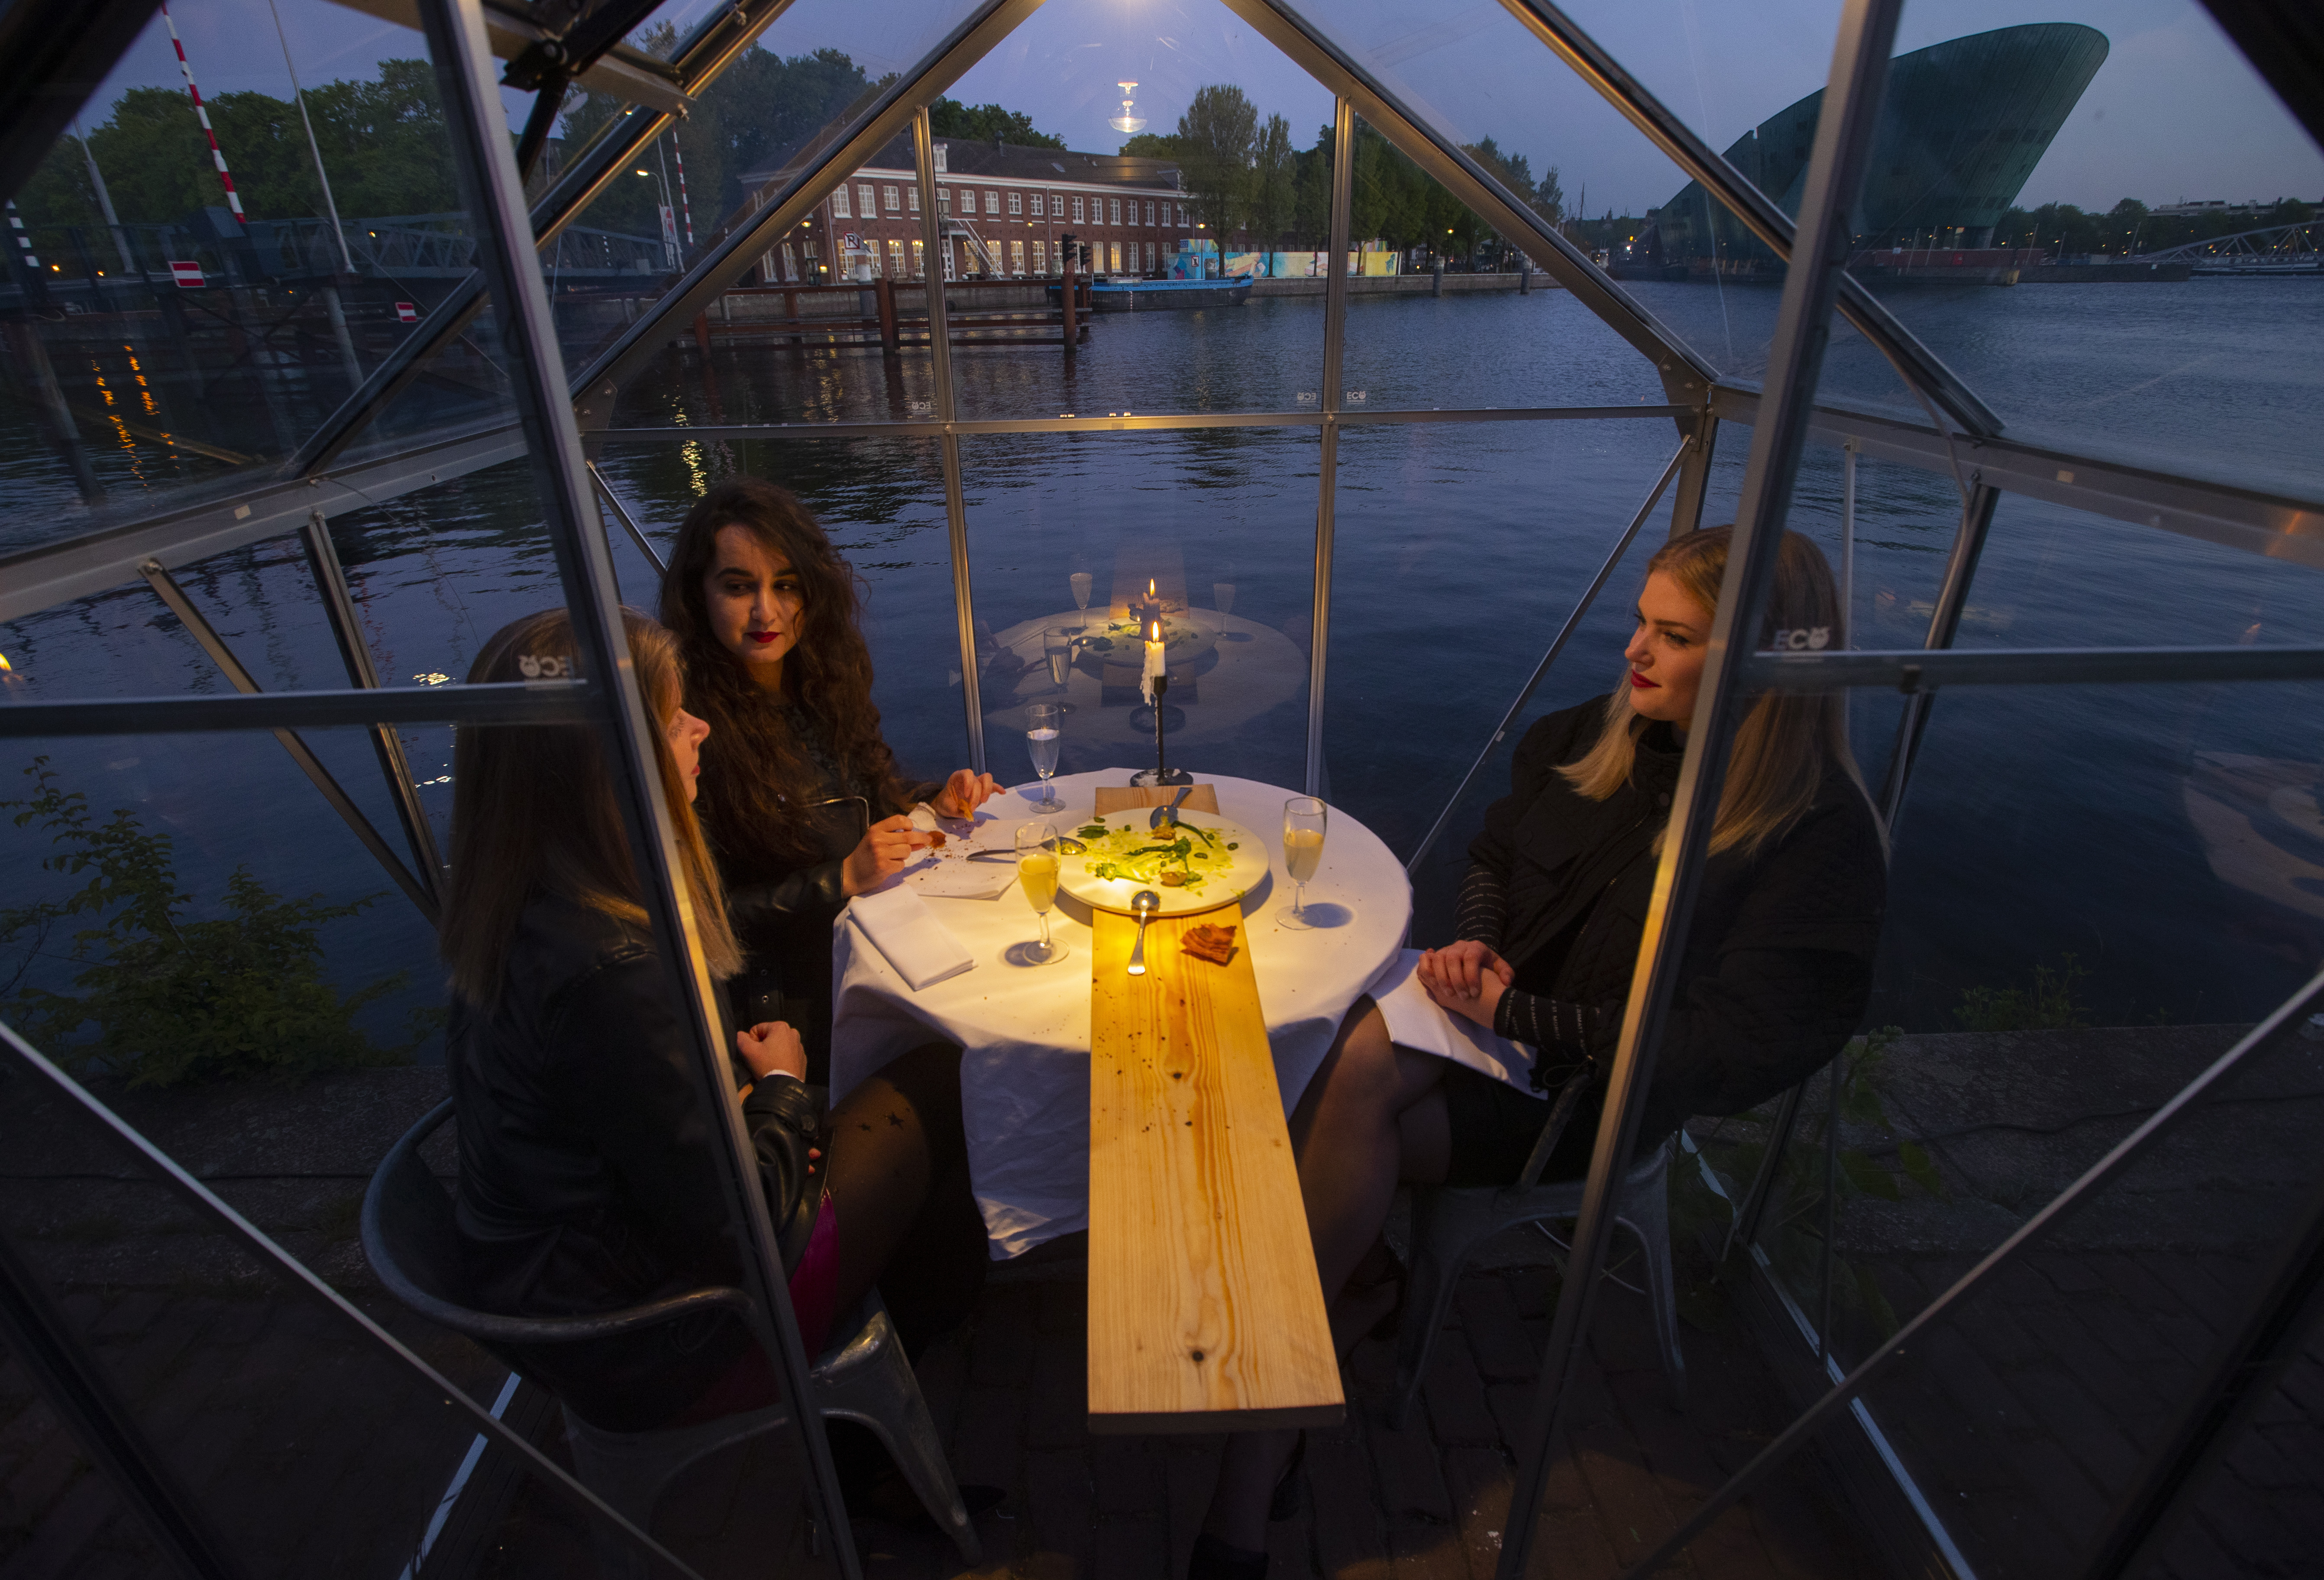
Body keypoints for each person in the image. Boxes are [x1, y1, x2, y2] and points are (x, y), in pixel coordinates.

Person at [1190, 526, 1889, 1578]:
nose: (1633, 655)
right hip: (1482, 1028)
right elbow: (1494, 849)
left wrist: (1517, 1018)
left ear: (1761, 660)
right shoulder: (1600, 738)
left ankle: (1265, 1439)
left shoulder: (1812, 839)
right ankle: (1337, 1317)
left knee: (1335, 1087)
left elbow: (1720, 1045)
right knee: (1331, 1058)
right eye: (1637, 625)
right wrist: (1472, 938)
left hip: (1583, 1100)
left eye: (1671, 636)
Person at [439, 608, 987, 1434]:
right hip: (658, 1336)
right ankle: (872, 1424)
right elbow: (741, 1232)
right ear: (604, 765)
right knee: (950, 1073)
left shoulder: (530, 905)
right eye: (671, 720)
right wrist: (780, 1091)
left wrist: (743, 1098)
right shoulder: (612, 969)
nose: (699, 728)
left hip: (571, 1281)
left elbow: (641, 1137)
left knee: (915, 1090)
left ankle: (911, 1338)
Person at [658, 478, 1000, 1081]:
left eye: (785, 586)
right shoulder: (687, 732)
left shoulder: (819, 682)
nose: (766, 612)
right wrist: (839, 878)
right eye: (739, 587)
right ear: (699, 593)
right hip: (789, 1000)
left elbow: (865, 787)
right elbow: (699, 916)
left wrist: (930, 798)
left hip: (869, 939)